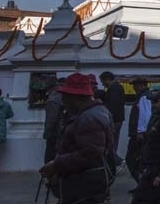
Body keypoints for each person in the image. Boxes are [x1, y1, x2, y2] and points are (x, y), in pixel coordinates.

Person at [40, 73, 114, 204]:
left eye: (65, 97)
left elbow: (90, 155)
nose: (63, 101)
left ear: (76, 98)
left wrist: (56, 164)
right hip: (82, 184)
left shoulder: (89, 119)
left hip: (84, 186)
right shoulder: (89, 114)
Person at [126, 78, 152, 180]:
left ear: (142, 85)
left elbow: (145, 115)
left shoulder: (144, 97)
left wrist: (140, 131)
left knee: (133, 159)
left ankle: (142, 182)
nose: (134, 88)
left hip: (139, 134)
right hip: (138, 133)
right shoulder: (143, 96)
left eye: (135, 85)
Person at [100, 71, 126, 156]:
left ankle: (111, 161)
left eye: (103, 82)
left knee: (111, 143)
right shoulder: (116, 87)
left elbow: (113, 105)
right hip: (116, 119)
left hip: (114, 120)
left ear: (107, 79)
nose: (103, 84)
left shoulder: (114, 88)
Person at [44, 78, 66, 163]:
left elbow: (51, 119)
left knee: (50, 157)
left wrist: (47, 133)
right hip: (64, 130)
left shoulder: (53, 99)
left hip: (55, 133)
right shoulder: (64, 95)